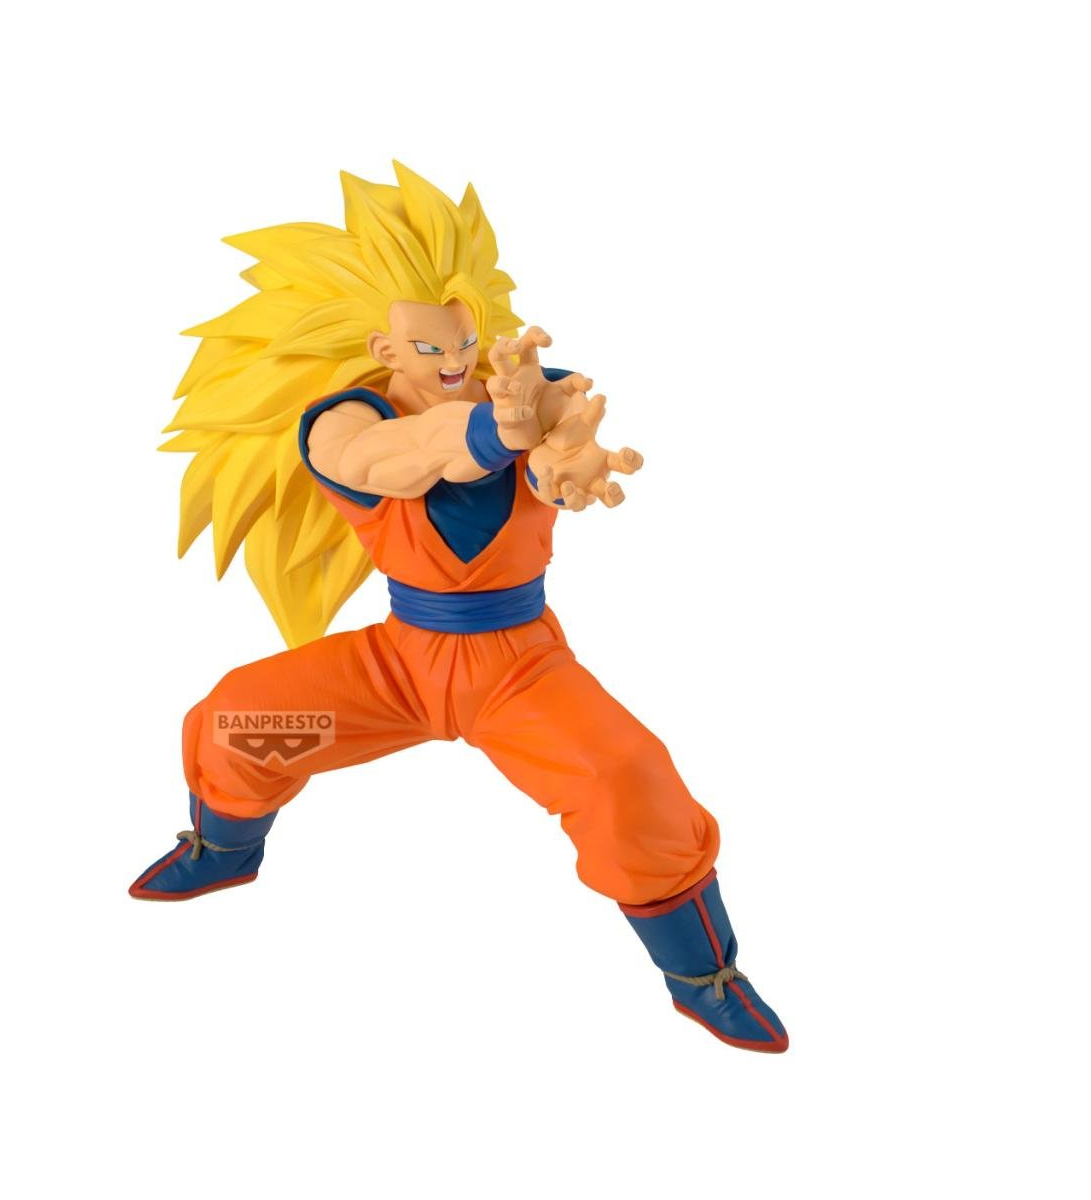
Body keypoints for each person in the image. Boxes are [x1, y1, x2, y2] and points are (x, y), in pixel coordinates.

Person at [130, 163, 788, 1053]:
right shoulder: (340, 422)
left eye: (466, 340)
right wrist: (494, 432)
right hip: (397, 668)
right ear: (383, 349)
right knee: (238, 721)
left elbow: (558, 435)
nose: (456, 361)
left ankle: (702, 975)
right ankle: (223, 852)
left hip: (519, 667)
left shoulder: (523, 389)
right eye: (431, 347)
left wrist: (562, 453)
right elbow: (394, 460)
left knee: (627, 781)